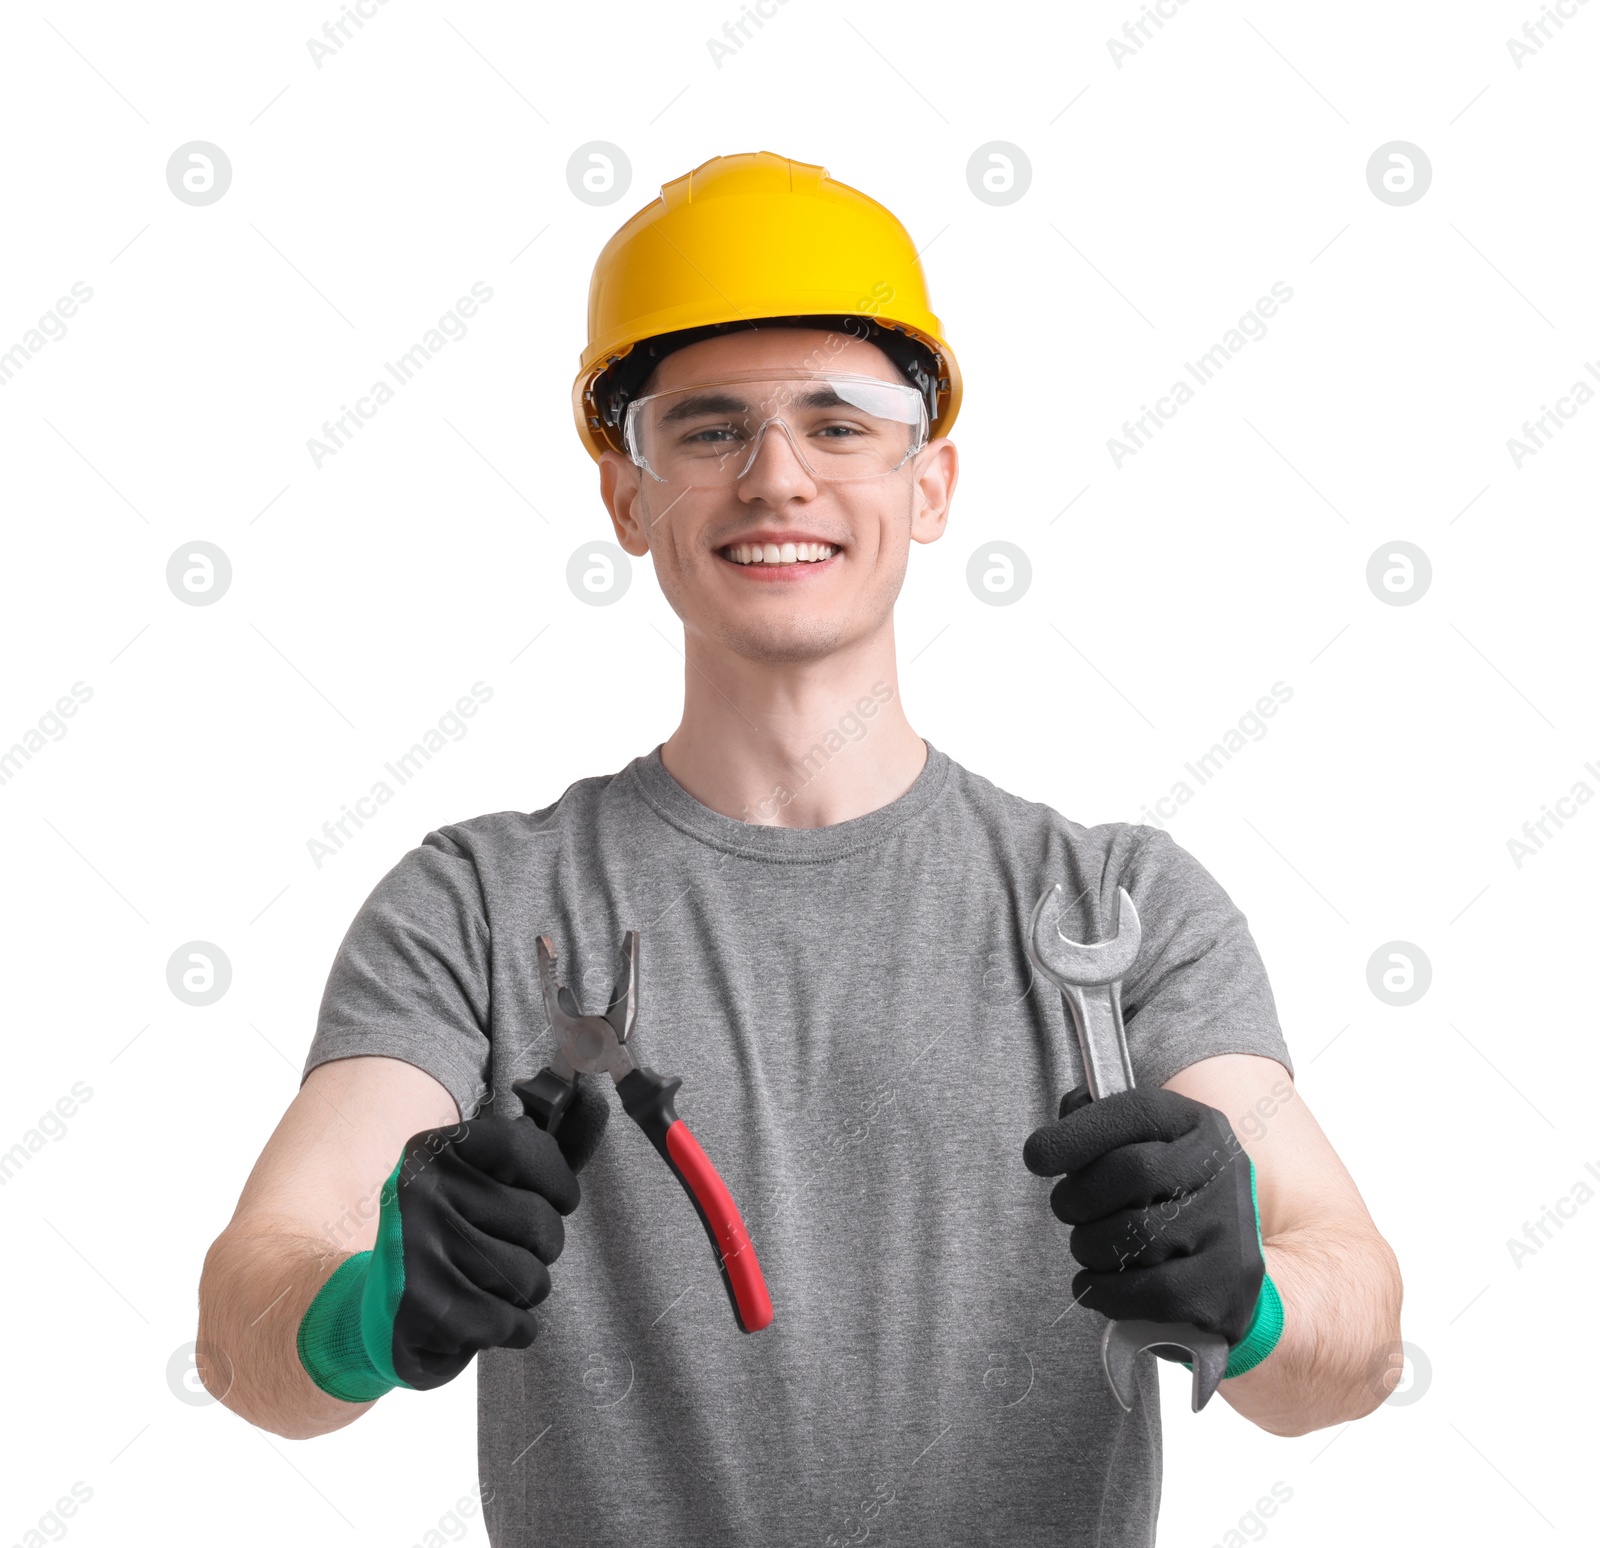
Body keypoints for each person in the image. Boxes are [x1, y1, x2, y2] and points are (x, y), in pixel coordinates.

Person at [197, 151, 1401, 1546]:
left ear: (930, 479)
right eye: (709, 430)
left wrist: (1252, 1300)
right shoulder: (478, 904)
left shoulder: (1121, 905)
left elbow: (1355, 1340)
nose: (777, 478)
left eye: (840, 425)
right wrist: (360, 1312)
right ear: (629, 499)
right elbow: (244, 1337)